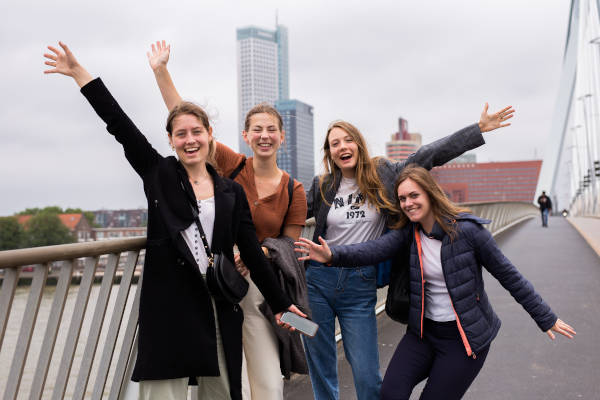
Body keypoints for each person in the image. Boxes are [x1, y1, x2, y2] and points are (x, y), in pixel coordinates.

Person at [43, 42, 306, 400]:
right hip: (170, 302)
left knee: (222, 392)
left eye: (197, 132)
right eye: (181, 134)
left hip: (218, 300)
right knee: (163, 393)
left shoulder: (230, 192)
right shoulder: (160, 174)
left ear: (210, 135)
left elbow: (253, 255)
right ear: (170, 140)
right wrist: (80, 74)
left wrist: (280, 305)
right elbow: (118, 123)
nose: (190, 140)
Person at [296, 164, 576, 400]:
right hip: (423, 335)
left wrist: (545, 317)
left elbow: (509, 276)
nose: (408, 204)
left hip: (464, 340)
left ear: (430, 194)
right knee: (390, 394)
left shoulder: (468, 232)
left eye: (414, 196)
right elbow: (373, 249)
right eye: (403, 199)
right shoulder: (410, 233)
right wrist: (332, 255)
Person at [302, 106, 513, 400]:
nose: (342, 147)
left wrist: (476, 131)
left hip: (359, 285)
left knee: (366, 372)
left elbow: (427, 155)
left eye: (347, 140)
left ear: (359, 145)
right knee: (320, 363)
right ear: (329, 152)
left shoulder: (384, 173)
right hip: (316, 283)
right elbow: (286, 215)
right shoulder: (322, 184)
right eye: (334, 143)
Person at [146, 41, 308, 400]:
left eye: (271, 130)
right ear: (246, 136)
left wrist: (258, 259)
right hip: (224, 281)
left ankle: (302, 339)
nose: (264, 136)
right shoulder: (232, 167)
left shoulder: (294, 190)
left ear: (282, 136)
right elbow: (186, 121)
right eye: (257, 130)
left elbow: (290, 248)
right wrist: (161, 72)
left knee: (268, 377)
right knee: (233, 380)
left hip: (262, 287)